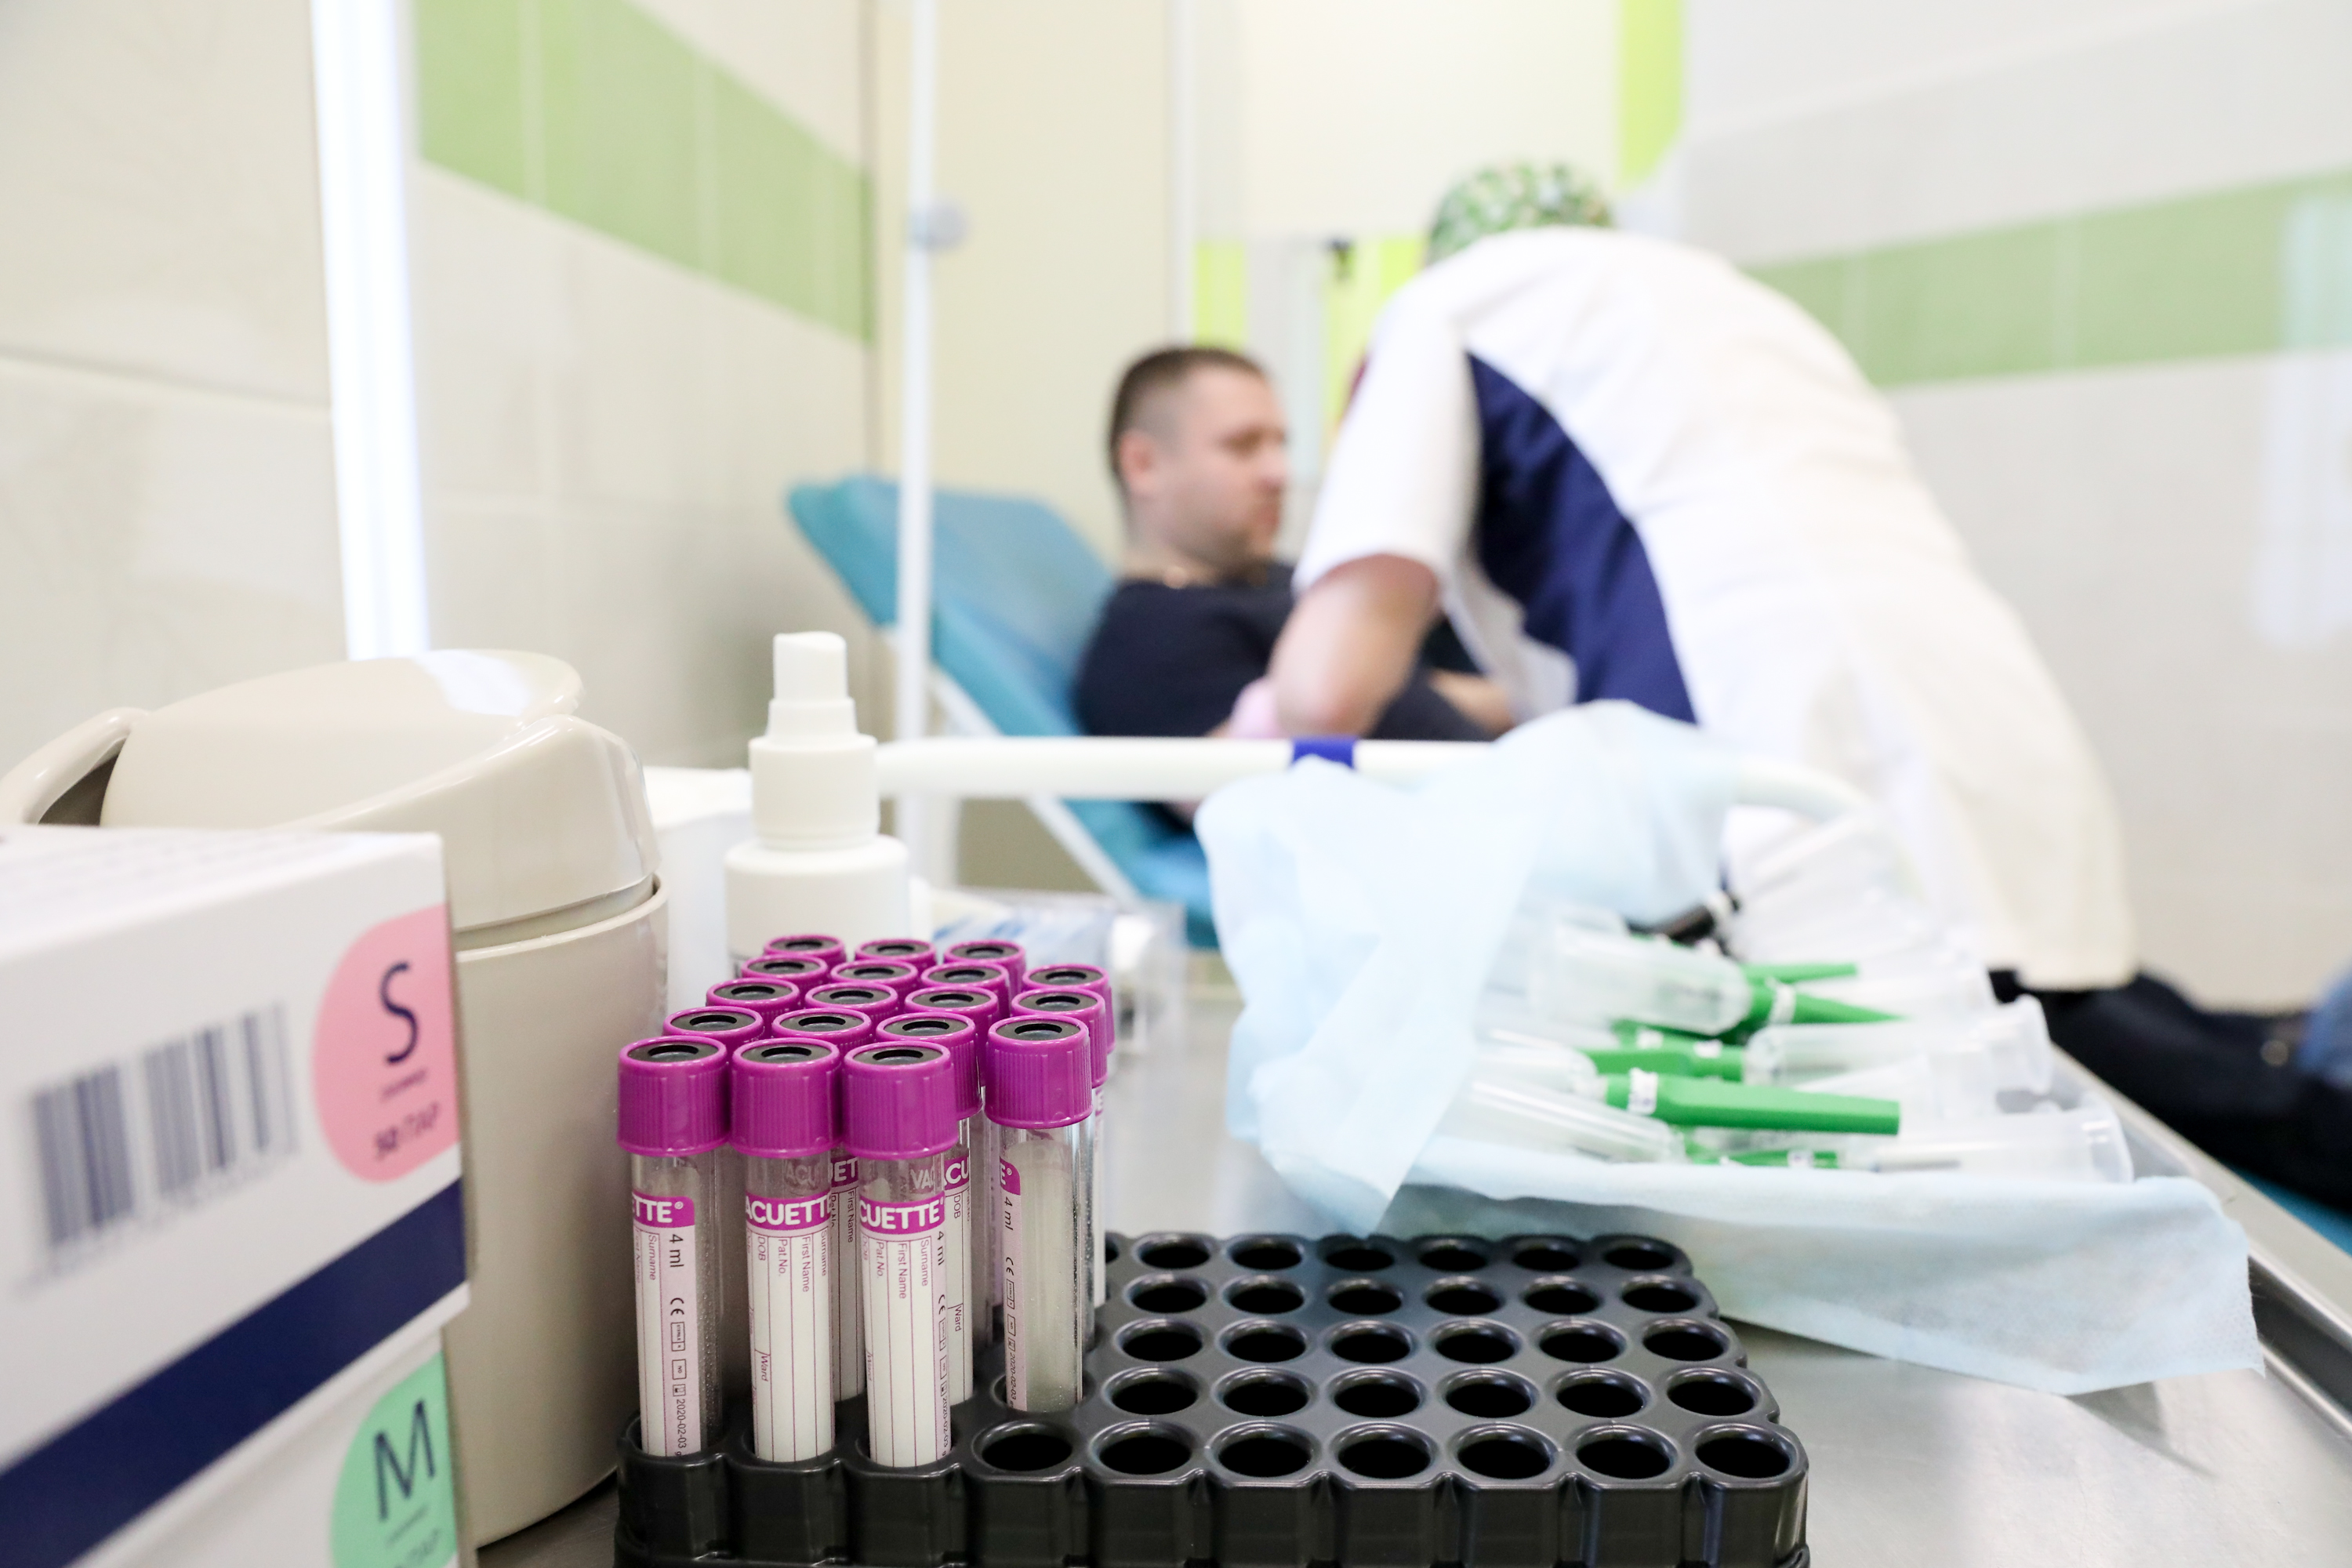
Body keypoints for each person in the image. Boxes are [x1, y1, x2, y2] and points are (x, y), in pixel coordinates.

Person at [1253, 162, 2352, 1208]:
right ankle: (2309, 1059)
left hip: (1773, 735)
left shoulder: (1449, 303)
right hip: (1967, 692)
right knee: (2046, 1004)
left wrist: (1246, 728)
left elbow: (1325, 689)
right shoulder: (1724, 302)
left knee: (1972, 1049)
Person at [1073, 347, 1510, 769]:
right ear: (1143, 464)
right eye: (1242, 446)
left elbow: (1415, 695)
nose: (1278, 473)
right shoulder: (1148, 644)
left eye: (1279, 444)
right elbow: (1233, 784)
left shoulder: (1271, 580)